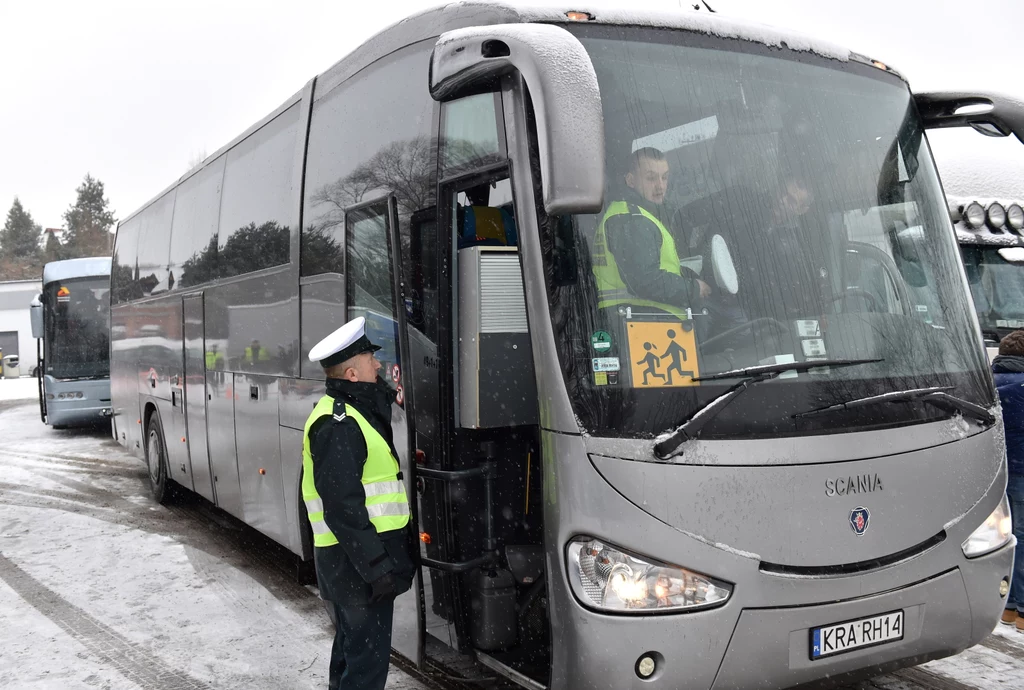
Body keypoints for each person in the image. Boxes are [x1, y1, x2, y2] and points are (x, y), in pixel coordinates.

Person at [302, 316, 416, 688]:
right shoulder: (338, 424)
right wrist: (377, 567)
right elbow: (342, 508)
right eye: (370, 359)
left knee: (352, 656)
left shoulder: (354, 413)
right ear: (352, 374)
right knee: (365, 668)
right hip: (357, 568)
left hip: (354, 566)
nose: (378, 365)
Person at [592, 147, 709, 323]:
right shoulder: (632, 220)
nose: (660, 186)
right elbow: (645, 280)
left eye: (665, 177)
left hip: (638, 319)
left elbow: (649, 268)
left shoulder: (633, 214)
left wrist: (688, 276)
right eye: (651, 178)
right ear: (631, 180)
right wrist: (693, 289)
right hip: (643, 322)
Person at [992, 330, 1024, 633]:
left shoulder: (988, 385)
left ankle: (1010, 607)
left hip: (999, 473)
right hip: (1023, 472)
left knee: (1008, 538)